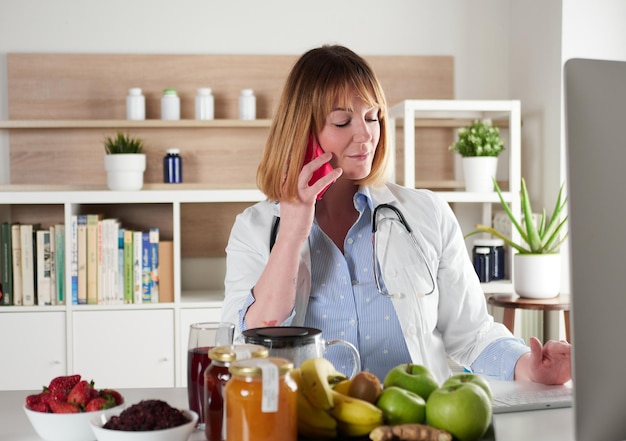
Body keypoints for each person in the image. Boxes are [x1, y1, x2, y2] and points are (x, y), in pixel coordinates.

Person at [221, 44, 571, 385]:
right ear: (303, 133)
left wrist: (529, 365)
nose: (366, 135)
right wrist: (292, 234)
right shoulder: (254, 229)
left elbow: (472, 333)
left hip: (415, 428)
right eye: (343, 121)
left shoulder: (428, 214)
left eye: (373, 117)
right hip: (310, 431)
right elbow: (248, 346)